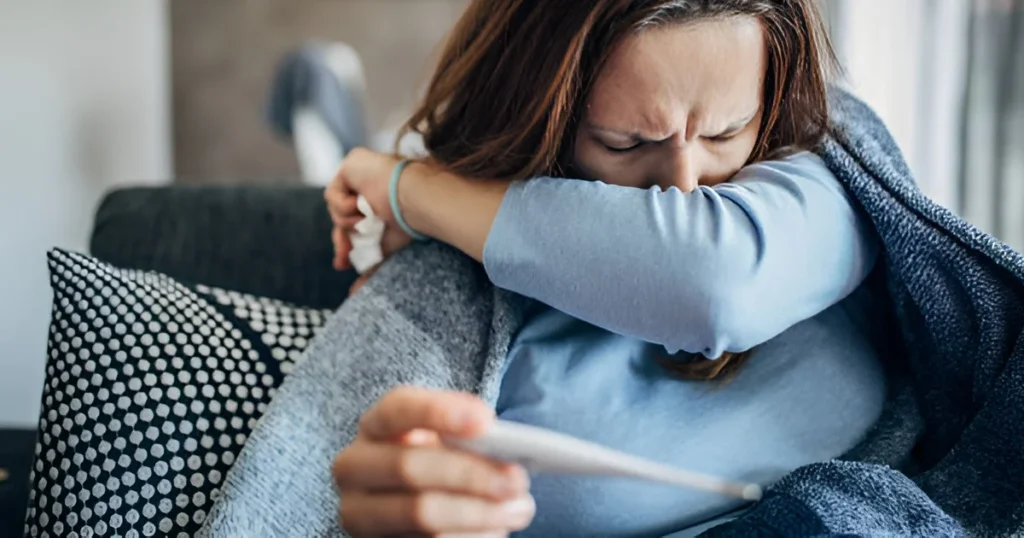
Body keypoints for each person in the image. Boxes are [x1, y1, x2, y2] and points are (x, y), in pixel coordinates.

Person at [326, 1, 888, 536]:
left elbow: (713, 282)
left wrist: (412, 189)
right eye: (626, 144)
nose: (684, 188)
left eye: (724, 134)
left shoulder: (822, 178)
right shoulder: (451, 291)